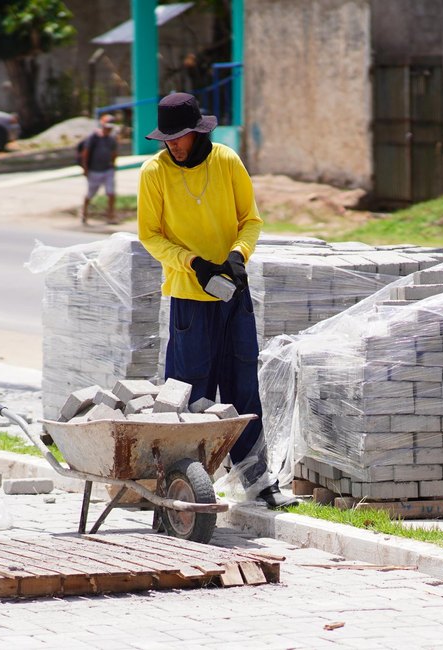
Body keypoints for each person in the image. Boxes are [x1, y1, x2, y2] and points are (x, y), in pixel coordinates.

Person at [136, 92, 295, 509]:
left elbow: (251, 220)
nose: (172, 145)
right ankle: (183, 485)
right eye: (166, 139)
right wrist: (193, 263)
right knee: (190, 392)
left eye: (179, 137)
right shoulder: (154, 172)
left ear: (196, 132)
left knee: (243, 388)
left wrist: (238, 256)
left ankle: (260, 484)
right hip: (189, 297)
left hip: (233, 296)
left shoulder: (226, 160)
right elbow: (150, 235)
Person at [80, 113, 119, 226]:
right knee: (90, 194)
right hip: (94, 171)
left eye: (110, 127)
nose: (108, 129)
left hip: (108, 170)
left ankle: (110, 215)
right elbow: (85, 153)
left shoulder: (112, 139)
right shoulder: (94, 137)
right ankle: (84, 213)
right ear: (102, 125)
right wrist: (85, 168)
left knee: (111, 193)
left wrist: (113, 165)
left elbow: (114, 153)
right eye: (107, 126)